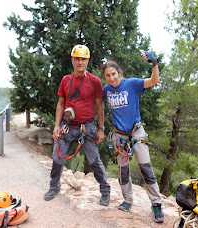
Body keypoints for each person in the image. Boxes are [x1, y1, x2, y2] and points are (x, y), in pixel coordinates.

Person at [101, 51, 164, 223]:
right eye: (107, 75)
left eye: (113, 74)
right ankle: (127, 200)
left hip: (136, 132)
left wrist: (154, 63)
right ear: (105, 77)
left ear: (119, 73)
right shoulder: (106, 90)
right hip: (119, 135)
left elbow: (154, 81)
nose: (111, 78)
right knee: (123, 171)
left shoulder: (132, 84)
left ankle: (156, 204)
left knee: (146, 169)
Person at [44, 44, 111, 206]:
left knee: (94, 161)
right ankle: (54, 187)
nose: (80, 62)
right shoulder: (66, 80)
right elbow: (61, 104)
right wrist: (56, 125)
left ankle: (105, 191)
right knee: (57, 159)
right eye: (77, 59)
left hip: (87, 127)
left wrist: (101, 129)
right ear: (72, 60)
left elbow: (99, 106)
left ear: (87, 60)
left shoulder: (94, 81)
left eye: (83, 59)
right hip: (67, 126)